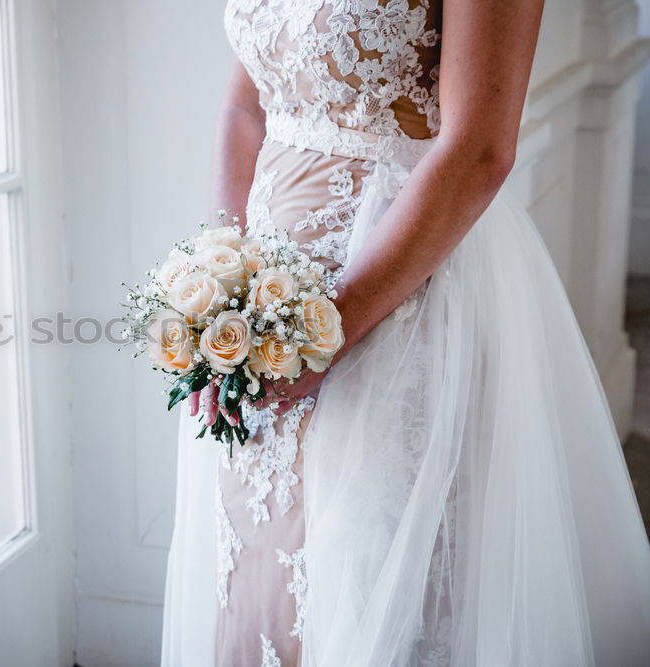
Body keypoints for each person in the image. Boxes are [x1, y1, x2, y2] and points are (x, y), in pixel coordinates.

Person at [161, 1, 650, 665]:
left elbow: (481, 149)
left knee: (379, 583)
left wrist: (329, 329)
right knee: (258, 570)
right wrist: (221, 279)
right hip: (256, 305)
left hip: (398, 296)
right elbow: (243, 108)